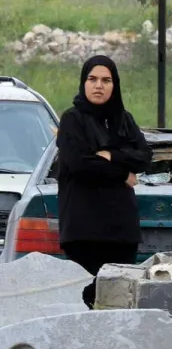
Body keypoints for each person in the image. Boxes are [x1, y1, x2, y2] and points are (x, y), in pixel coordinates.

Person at [56, 55, 152, 306]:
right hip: (84, 231)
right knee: (88, 302)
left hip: (121, 231)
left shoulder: (124, 119)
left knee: (119, 305)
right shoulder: (72, 120)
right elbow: (79, 164)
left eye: (106, 80)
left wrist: (110, 155)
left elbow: (143, 157)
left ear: (115, 84)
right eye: (92, 79)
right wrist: (122, 173)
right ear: (83, 82)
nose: (98, 85)